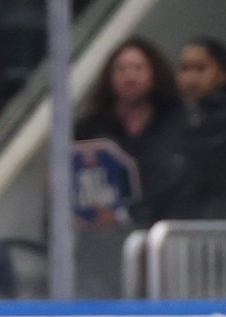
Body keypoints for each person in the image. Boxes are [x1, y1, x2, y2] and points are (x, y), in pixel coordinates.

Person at [74, 37, 185, 227]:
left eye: (138, 68)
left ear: (155, 73)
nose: (130, 76)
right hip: (99, 237)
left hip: (162, 230)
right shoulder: (88, 128)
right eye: (121, 69)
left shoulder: (180, 122)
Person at [167, 35, 226, 220]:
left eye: (200, 68)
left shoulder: (224, 116)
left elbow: (190, 172)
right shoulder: (181, 114)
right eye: (184, 69)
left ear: (223, 75)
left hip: (214, 222)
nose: (191, 77)